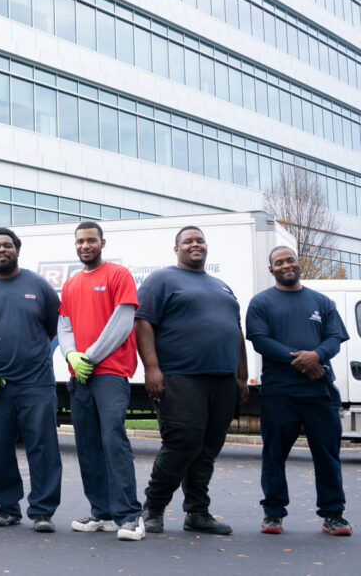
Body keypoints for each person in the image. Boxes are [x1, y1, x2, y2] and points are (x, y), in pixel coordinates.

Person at [135, 225, 249, 535]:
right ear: (177, 249)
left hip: (223, 381)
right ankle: (153, 508)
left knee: (208, 448)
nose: (195, 244)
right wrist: (152, 369)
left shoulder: (222, 286)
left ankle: (197, 512)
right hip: (181, 376)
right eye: (188, 241)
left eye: (200, 240)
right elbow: (143, 323)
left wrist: (242, 375)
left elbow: (235, 330)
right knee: (183, 442)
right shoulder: (162, 280)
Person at [0, 227, 62, 532]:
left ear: (18, 250)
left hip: (36, 383)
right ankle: (7, 508)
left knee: (43, 446)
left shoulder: (38, 285)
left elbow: (54, 327)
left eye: (7, 245)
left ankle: (43, 511)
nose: (1, 250)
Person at [246, 246, 351, 536]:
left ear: (298, 263)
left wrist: (316, 356)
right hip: (279, 393)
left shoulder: (322, 301)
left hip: (320, 391)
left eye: (289, 260)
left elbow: (334, 338)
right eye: (278, 263)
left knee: (327, 455)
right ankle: (273, 513)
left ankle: (333, 515)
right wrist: (303, 360)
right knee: (275, 454)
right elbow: (260, 341)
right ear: (272, 270)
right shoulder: (261, 302)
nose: (285, 265)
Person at [58, 222, 144, 540]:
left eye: (91, 240)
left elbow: (122, 322)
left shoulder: (118, 275)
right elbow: (64, 325)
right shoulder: (70, 284)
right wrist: (71, 357)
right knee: (88, 446)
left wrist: (89, 357)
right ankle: (102, 513)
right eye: (80, 241)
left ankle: (130, 516)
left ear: (102, 243)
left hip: (110, 373)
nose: (85, 245)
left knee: (113, 441)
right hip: (79, 376)